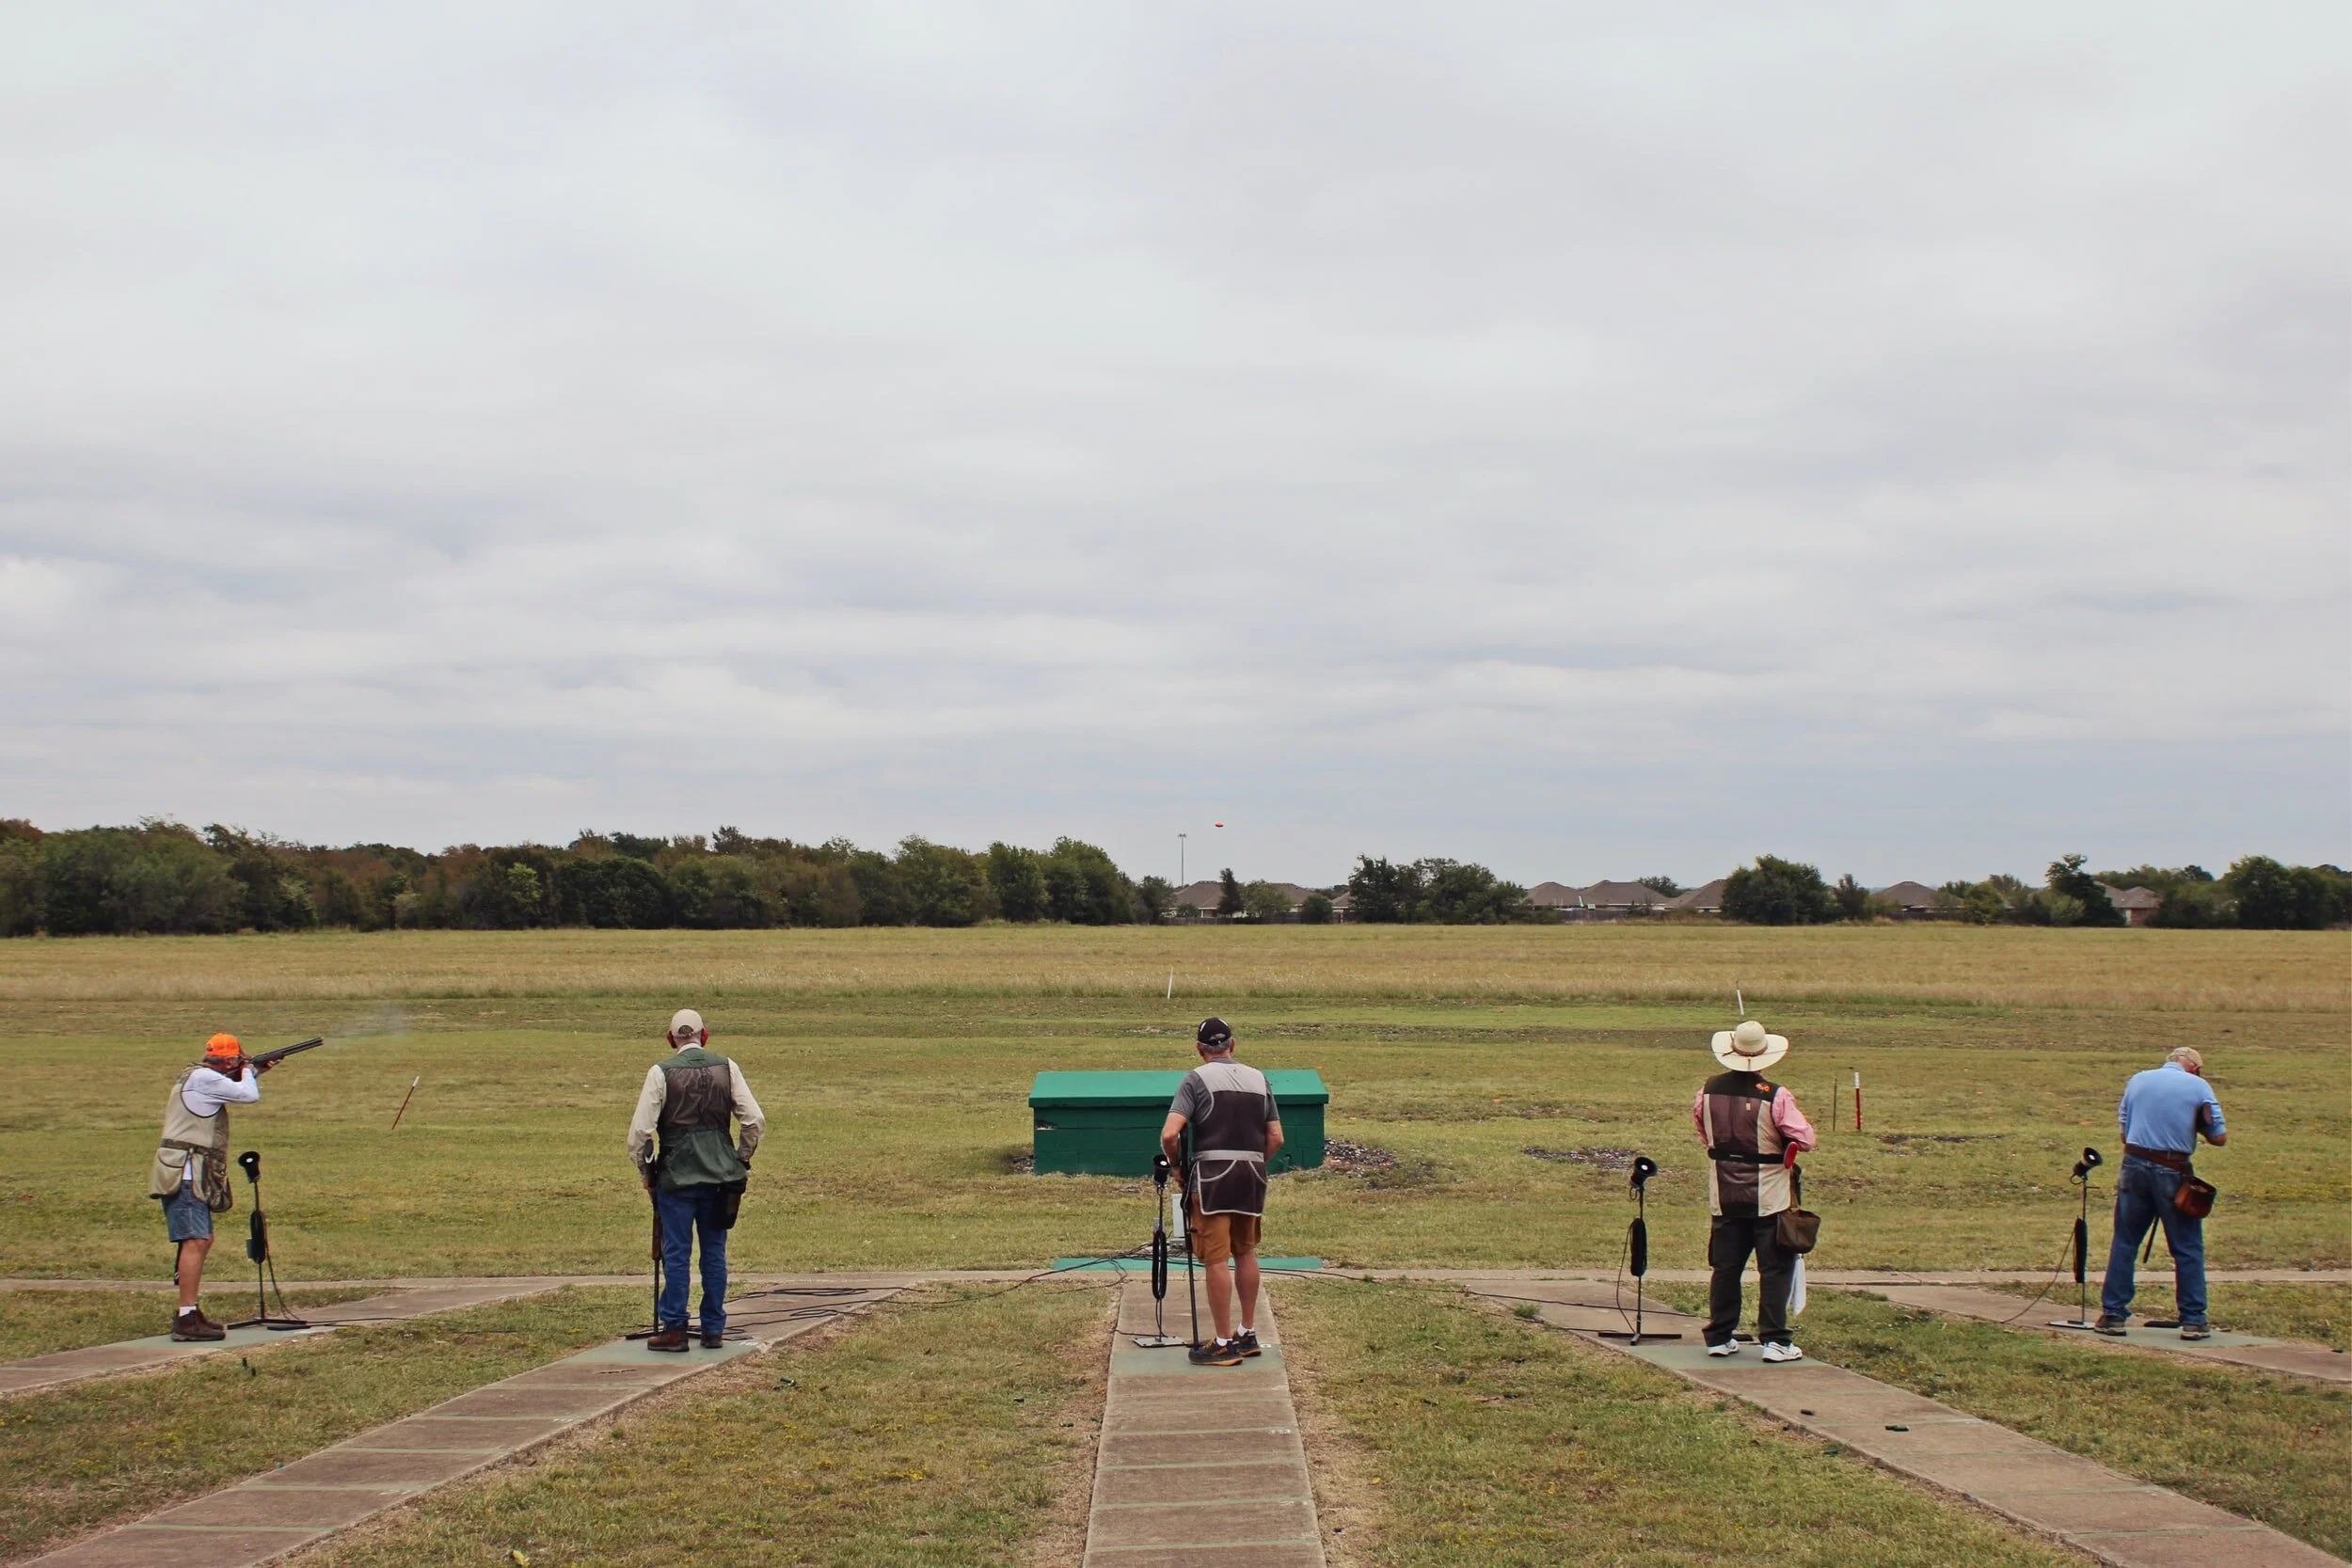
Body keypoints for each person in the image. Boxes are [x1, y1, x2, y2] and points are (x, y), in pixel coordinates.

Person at [628, 1008, 766, 1351]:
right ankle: (713, 1329)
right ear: (704, 1036)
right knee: (714, 1253)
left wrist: (647, 1173)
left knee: (676, 1253)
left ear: (670, 1039)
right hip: (720, 1179)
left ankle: (674, 1328)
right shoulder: (727, 1068)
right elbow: (754, 1121)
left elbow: (640, 1134)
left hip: (676, 1179)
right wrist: (740, 1158)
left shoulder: (660, 1073)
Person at [1160, 1016, 1284, 1367]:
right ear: (1233, 1045)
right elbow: (1276, 1137)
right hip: (1251, 1177)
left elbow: (1170, 1134)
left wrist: (1177, 1167)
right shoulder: (1259, 1079)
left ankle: (1223, 1342)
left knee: (1216, 1259)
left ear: (1199, 1049)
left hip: (1211, 1180)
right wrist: (1255, 1163)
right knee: (1246, 1252)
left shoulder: (1195, 1080)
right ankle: (1247, 1333)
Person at [1693, 1019, 1818, 1362]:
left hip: (1724, 1192)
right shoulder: (1776, 1096)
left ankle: (1719, 1336)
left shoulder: (1707, 1090)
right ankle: (1775, 1340)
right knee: (1775, 1268)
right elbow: (1806, 1139)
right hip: (1770, 1195)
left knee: (1726, 1267)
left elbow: (1704, 1133)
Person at [149, 1033, 275, 1341]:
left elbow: (235, 1088)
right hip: (186, 1172)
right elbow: (249, 1095)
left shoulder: (201, 1077)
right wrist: (249, 1072)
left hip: (190, 1170)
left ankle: (190, 1312)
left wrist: (254, 1070)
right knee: (196, 1240)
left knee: (202, 1239)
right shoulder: (204, 1078)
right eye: (238, 1058)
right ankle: (186, 1318)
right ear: (230, 1060)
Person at [2099, 1046, 2227, 1339]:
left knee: (2125, 1241)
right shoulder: (2198, 1087)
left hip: (2133, 1164)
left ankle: (2113, 1314)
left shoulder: (2138, 1080)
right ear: (2195, 1068)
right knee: (2187, 1246)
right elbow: (2219, 1137)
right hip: (2172, 1168)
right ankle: (2193, 1319)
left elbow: (2124, 1133)